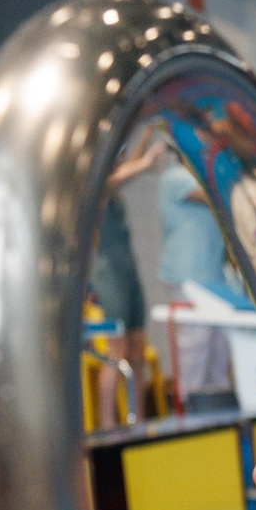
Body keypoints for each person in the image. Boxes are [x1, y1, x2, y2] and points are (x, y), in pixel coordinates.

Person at [90, 131, 164, 427]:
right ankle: (108, 424)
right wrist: (146, 162)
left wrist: (145, 134)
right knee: (116, 351)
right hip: (109, 276)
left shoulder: (114, 186)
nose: (122, 161)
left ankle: (139, 421)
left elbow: (126, 170)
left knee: (136, 347)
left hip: (127, 272)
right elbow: (116, 176)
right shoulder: (94, 187)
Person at [158, 155, 239, 415]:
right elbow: (216, 196)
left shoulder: (208, 180)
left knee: (220, 349)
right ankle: (188, 413)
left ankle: (222, 414)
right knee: (195, 348)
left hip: (216, 277)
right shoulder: (175, 177)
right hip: (189, 275)